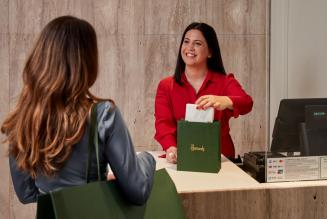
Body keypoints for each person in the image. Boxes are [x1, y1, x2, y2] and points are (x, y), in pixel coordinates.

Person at [1, 16, 155, 205]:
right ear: (87, 62)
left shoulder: (22, 119)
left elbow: (26, 194)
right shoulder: (103, 115)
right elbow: (138, 191)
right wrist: (148, 159)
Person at [154, 22, 253, 163]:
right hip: (182, 158)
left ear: (210, 52)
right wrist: (170, 147)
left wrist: (226, 101)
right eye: (186, 42)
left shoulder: (225, 82)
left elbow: (247, 103)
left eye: (198, 43)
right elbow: (163, 124)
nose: (190, 48)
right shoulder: (166, 86)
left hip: (221, 160)